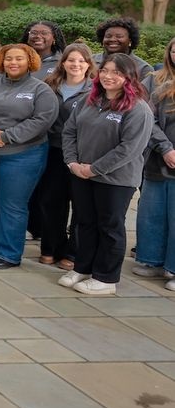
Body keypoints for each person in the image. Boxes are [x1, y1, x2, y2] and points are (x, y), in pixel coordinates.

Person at [60, 53, 155, 295]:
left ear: (129, 77)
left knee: (110, 227)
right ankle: (83, 268)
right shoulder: (90, 100)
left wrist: (94, 169)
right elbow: (69, 131)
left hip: (115, 179)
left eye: (116, 72)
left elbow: (129, 149)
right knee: (85, 223)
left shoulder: (138, 109)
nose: (108, 76)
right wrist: (72, 162)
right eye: (104, 71)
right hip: (81, 173)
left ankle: (106, 278)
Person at [38, 43, 93, 268]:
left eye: (81, 61)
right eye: (71, 60)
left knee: (80, 204)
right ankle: (50, 248)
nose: (75, 64)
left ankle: (72, 252)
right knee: (51, 201)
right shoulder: (49, 85)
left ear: (88, 65)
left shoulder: (95, 89)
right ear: (63, 63)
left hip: (81, 154)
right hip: (52, 150)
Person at [135, 38, 175, 286]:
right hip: (158, 161)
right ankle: (153, 260)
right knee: (153, 213)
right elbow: (147, 119)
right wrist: (166, 148)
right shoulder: (156, 82)